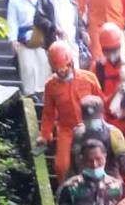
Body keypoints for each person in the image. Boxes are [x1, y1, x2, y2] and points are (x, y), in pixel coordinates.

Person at [39, 42, 104, 182]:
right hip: (66, 130)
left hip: (89, 127)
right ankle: (65, 193)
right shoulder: (51, 86)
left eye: (64, 67)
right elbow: (48, 113)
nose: (61, 71)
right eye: (58, 69)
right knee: (61, 166)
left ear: (71, 63)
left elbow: (101, 102)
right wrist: (44, 135)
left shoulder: (89, 78)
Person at [6, 0, 49, 97]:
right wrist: (13, 40)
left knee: (43, 65)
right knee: (27, 67)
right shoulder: (14, 0)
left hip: (40, 35)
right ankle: (29, 94)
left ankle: (43, 93)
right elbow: (12, 21)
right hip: (23, 37)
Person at [70, 95, 125, 179]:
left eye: (94, 119)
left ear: (102, 115)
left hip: (110, 180)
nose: (90, 122)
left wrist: (122, 157)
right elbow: (74, 163)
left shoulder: (113, 133)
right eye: (88, 119)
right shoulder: (78, 133)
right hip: (85, 181)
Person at [91, 22, 125, 122]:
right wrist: (117, 91)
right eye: (107, 50)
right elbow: (99, 103)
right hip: (109, 121)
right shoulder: (98, 67)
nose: (111, 54)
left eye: (114, 49)